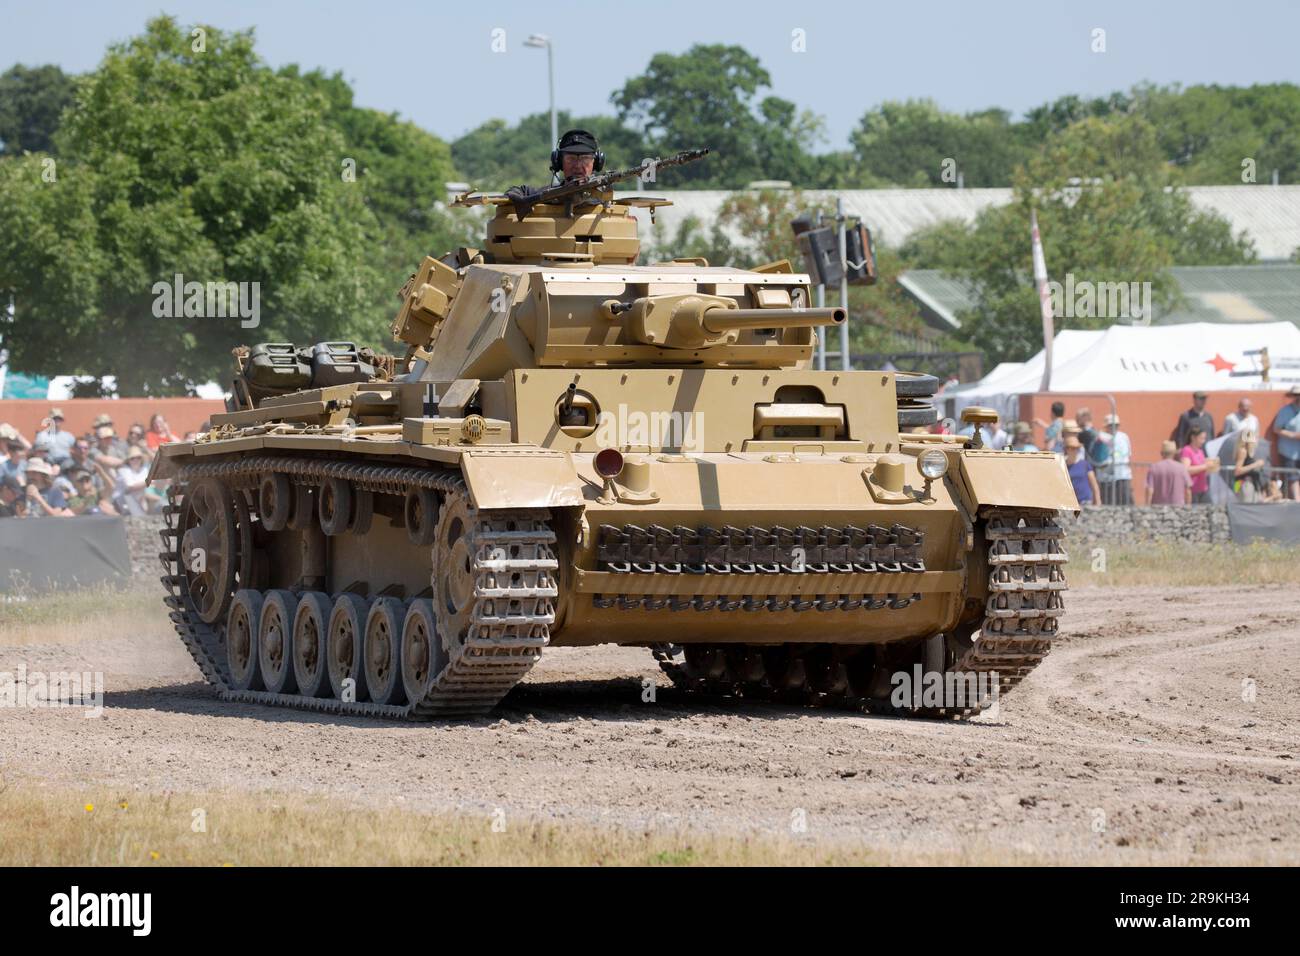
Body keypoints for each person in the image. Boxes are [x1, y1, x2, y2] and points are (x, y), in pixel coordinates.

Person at [505, 129, 602, 203]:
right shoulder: (550, 194)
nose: (577, 165)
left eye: (585, 159)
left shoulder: (604, 198)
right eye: (571, 159)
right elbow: (519, 191)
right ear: (559, 162)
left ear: (596, 162)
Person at [1270, 384, 1300, 501]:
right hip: (1289, 451)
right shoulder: (1285, 411)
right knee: (1293, 477)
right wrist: (1293, 435)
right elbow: (1276, 429)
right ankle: (1297, 502)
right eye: (1297, 395)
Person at [1094, 413, 1132, 505]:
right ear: (1106, 426)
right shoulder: (1100, 437)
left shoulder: (1124, 437)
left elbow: (1128, 455)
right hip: (1106, 478)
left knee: (1126, 505)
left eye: (1116, 425)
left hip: (1123, 476)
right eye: (1111, 425)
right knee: (1108, 505)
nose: (1114, 427)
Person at [1179, 426, 1219, 504]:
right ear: (1193, 437)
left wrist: (1212, 467)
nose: (1203, 441)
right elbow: (1185, 470)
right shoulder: (1187, 450)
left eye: (1204, 438)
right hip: (1193, 491)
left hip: (1203, 489)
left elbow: (1203, 469)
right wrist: (1205, 466)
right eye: (1201, 438)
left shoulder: (1200, 451)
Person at [1145, 440, 1191, 505]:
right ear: (1174, 453)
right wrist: (1188, 507)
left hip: (1158, 507)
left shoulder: (1153, 467)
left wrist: (1147, 507)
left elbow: (1149, 490)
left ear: (1161, 453)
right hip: (1178, 507)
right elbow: (1188, 490)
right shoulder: (1181, 468)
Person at [1230, 430, 1268, 503]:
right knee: (1247, 509)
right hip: (1244, 483)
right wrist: (1256, 464)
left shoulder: (1248, 452)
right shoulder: (1243, 451)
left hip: (1248, 483)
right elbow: (1237, 471)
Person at [113, 447, 153, 515]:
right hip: (121, 503)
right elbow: (131, 487)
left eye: (138, 457)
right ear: (128, 460)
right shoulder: (123, 470)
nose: (136, 460)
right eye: (132, 458)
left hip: (138, 501)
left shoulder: (144, 469)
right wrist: (149, 481)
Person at [1064, 436, 1100, 507]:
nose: (1075, 450)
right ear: (1067, 449)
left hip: (1085, 501)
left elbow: (1094, 485)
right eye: (1072, 448)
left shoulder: (1085, 464)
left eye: (1077, 448)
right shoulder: (1063, 466)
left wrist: (1098, 502)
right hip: (1070, 504)